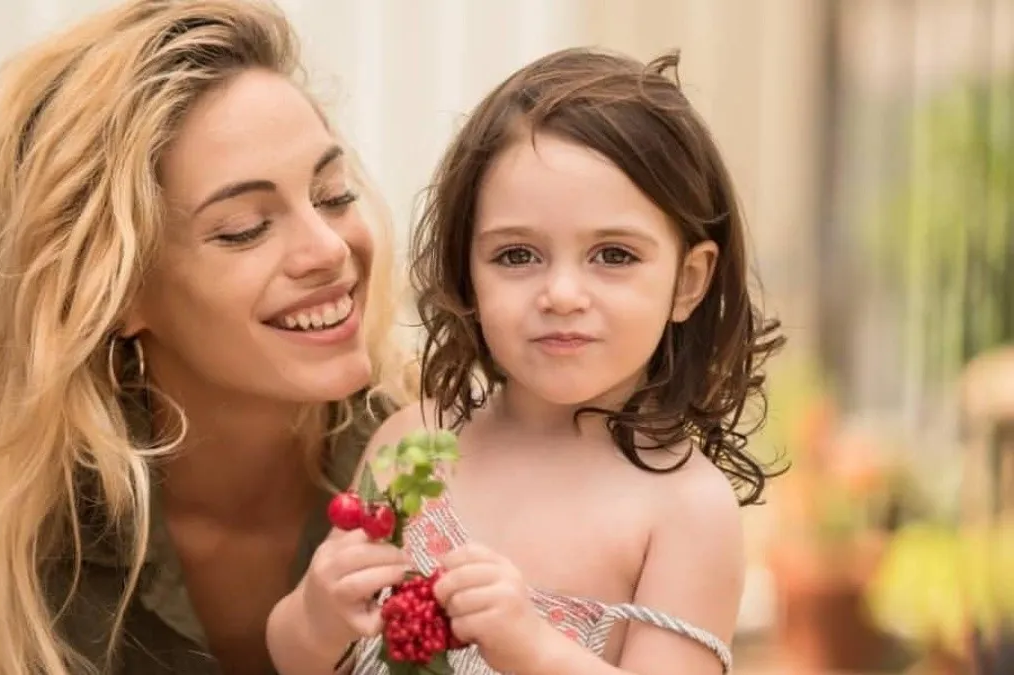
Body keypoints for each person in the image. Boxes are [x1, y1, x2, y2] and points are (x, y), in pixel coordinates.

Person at [0, 1, 414, 673]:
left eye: (333, 194)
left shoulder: (469, 463)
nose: (329, 247)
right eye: (245, 226)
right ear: (115, 289)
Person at [267, 48, 786, 675]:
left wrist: (532, 649)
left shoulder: (684, 510)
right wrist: (317, 617)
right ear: (469, 274)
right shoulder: (419, 443)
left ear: (688, 281)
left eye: (614, 255)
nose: (562, 295)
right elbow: (292, 657)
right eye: (517, 256)